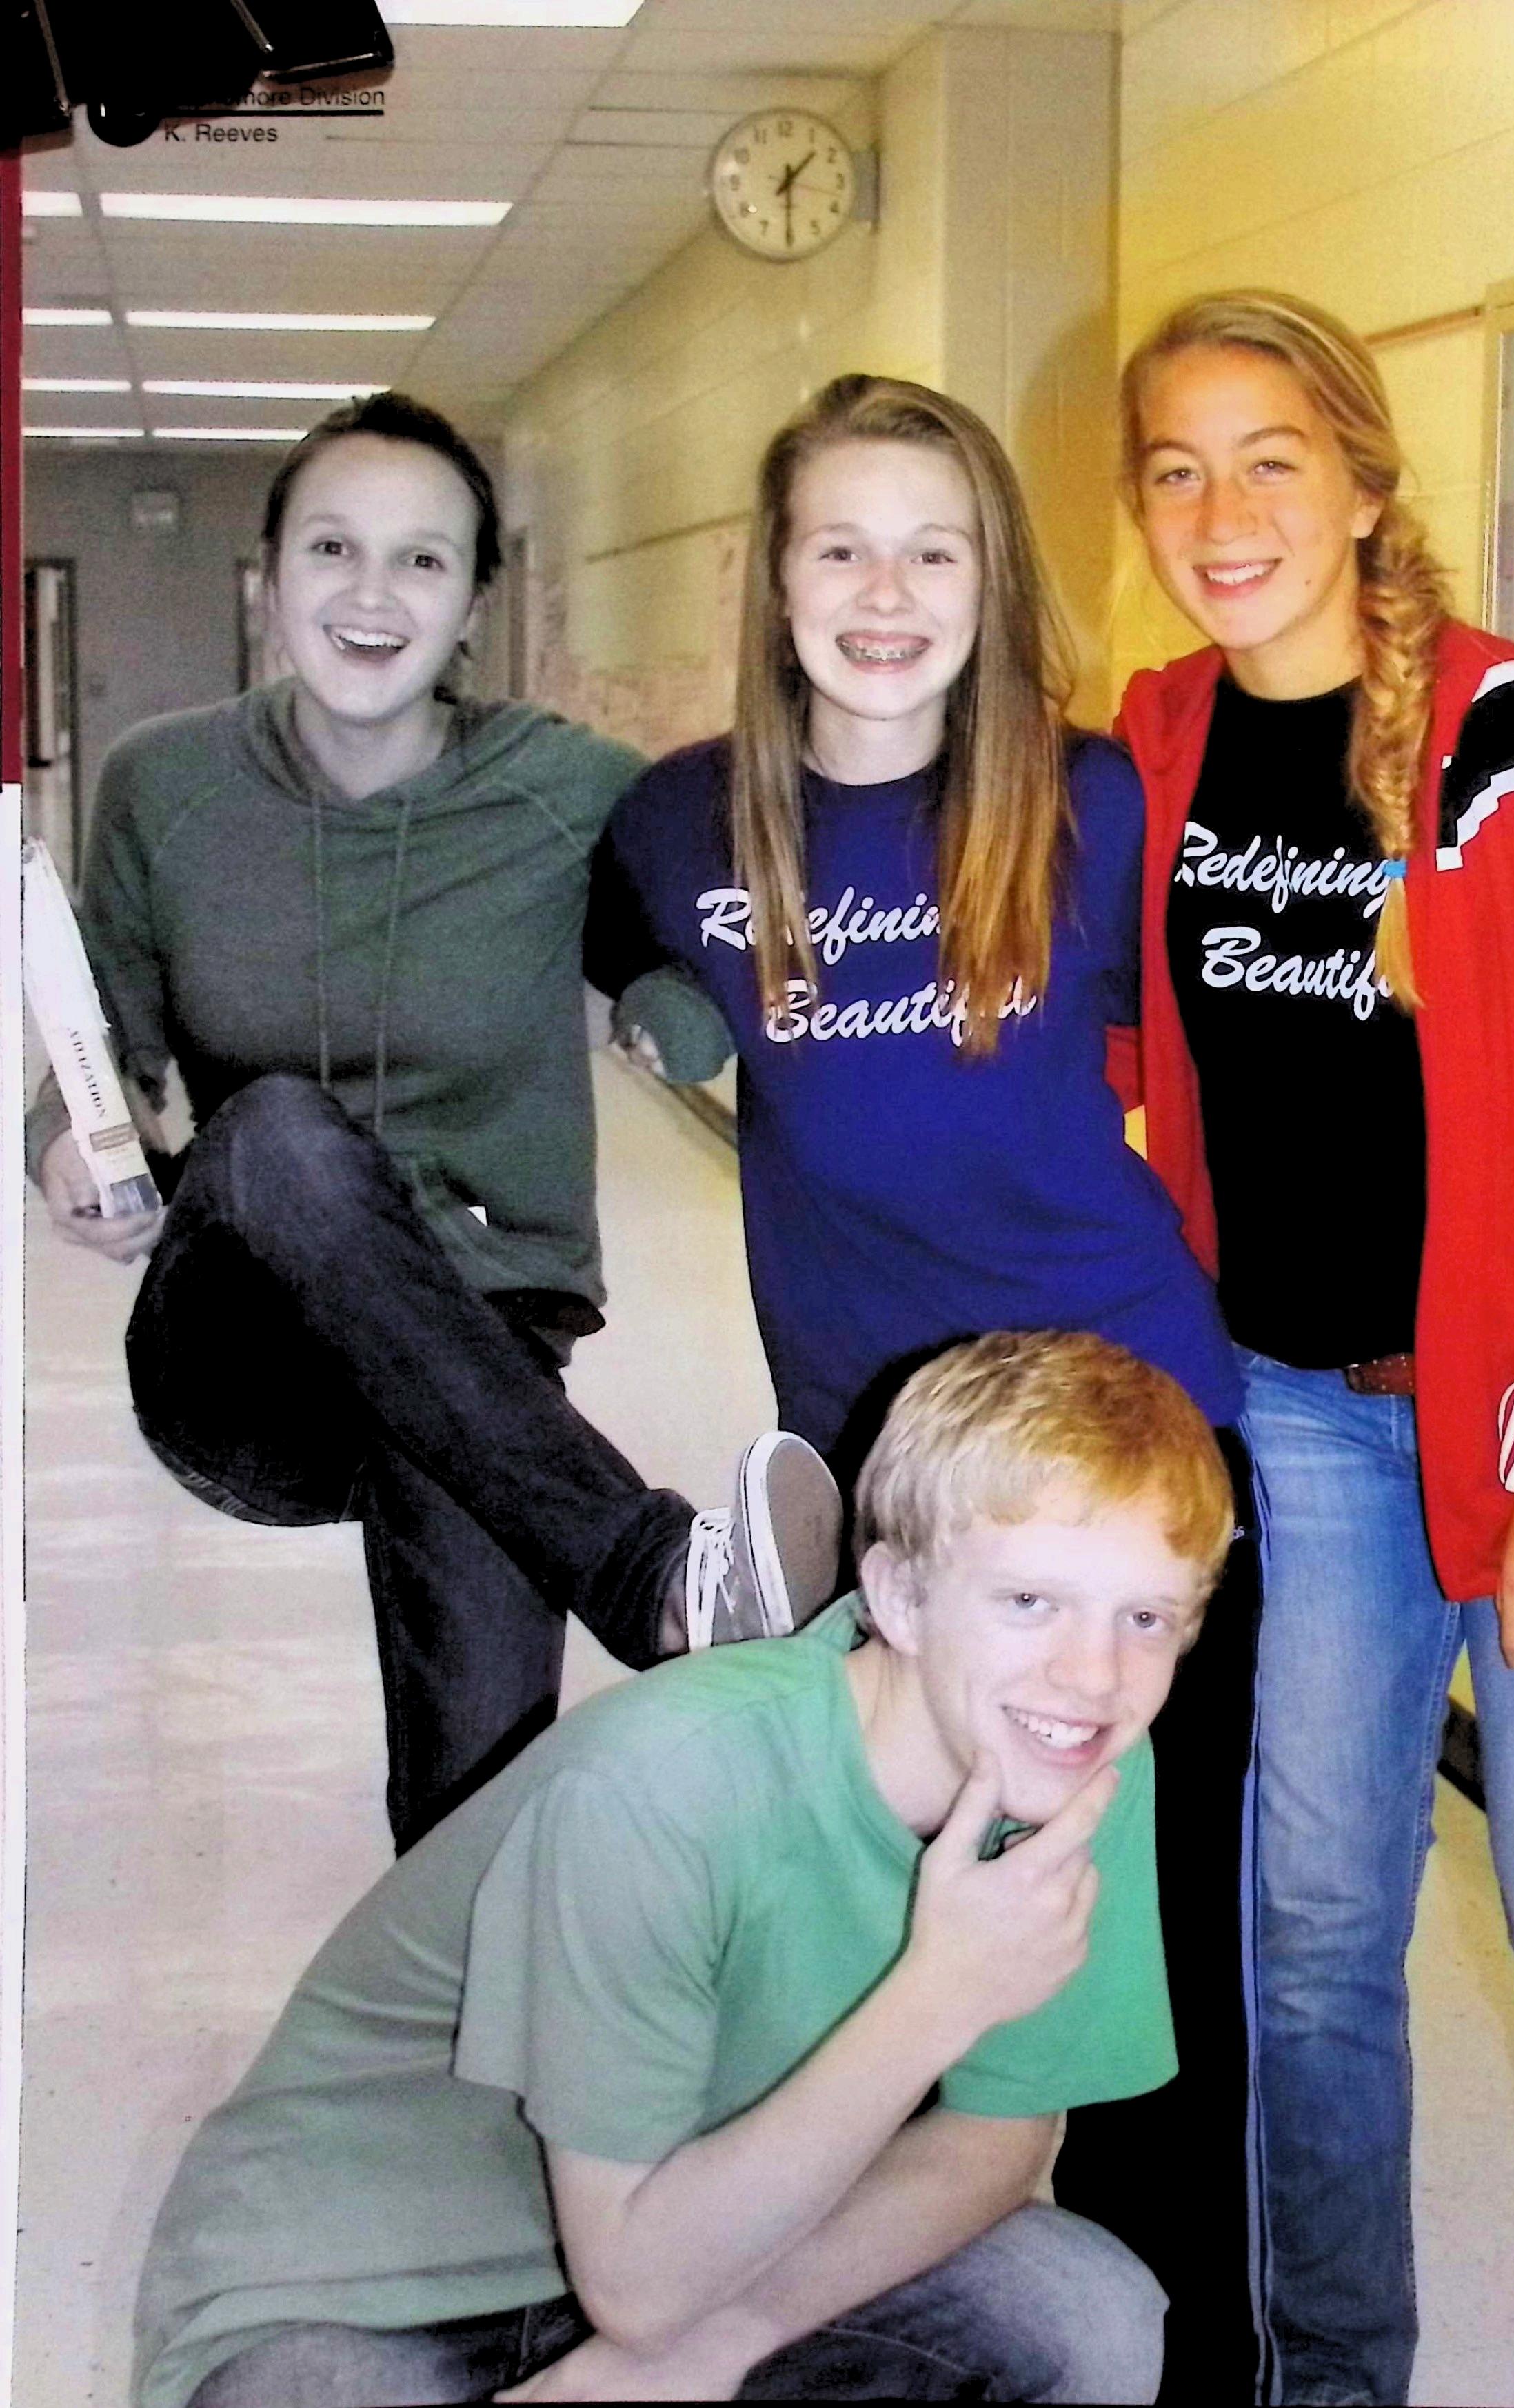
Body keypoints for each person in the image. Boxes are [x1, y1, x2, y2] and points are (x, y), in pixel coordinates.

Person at [1111, 289, 1514, 2408]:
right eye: (1175, 469)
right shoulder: (1160, 738)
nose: (1220, 512)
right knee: (1307, 1928)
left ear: (1361, 481)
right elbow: (1117, 1037)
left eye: (1268, 459)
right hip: (1303, 1419)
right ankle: (1330, 2373)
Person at [585, 374, 1264, 2390]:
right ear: (773, 576)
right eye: (840, 548)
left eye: (931, 550)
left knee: (1143, 1949)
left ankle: (1185, 2356)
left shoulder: (1092, 803)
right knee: (880, 1914)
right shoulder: (677, 821)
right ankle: (885, 2323)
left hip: (1129, 1440)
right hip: (883, 1477)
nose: (884, 595)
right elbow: (604, 956)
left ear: (992, 579)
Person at [24, 391, 840, 1854]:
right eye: (333, 548)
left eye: (422, 560)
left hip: (482, 1326)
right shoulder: (167, 784)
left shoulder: (569, 792)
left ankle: (463, 1979)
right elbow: (97, 1045)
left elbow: (677, 950)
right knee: (279, 1129)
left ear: (472, 604)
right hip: (245, 1343)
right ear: (271, 579)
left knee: (480, 1807)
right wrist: (67, 1141)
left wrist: (680, 1006)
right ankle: (649, 1570)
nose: (372, 594)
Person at [131, 1330, 1232, 2408]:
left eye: (1145, 1617)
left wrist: (728, 2340)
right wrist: (939, 1995)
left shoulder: (1070, 1757)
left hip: (708, 2247)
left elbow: (1003, 2131)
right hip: (369, 2286)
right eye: (1029, 1601)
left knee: (1084, 2313)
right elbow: (637, 2286)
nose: (1092, 1673)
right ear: (898, 1597)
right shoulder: (664, 1781)